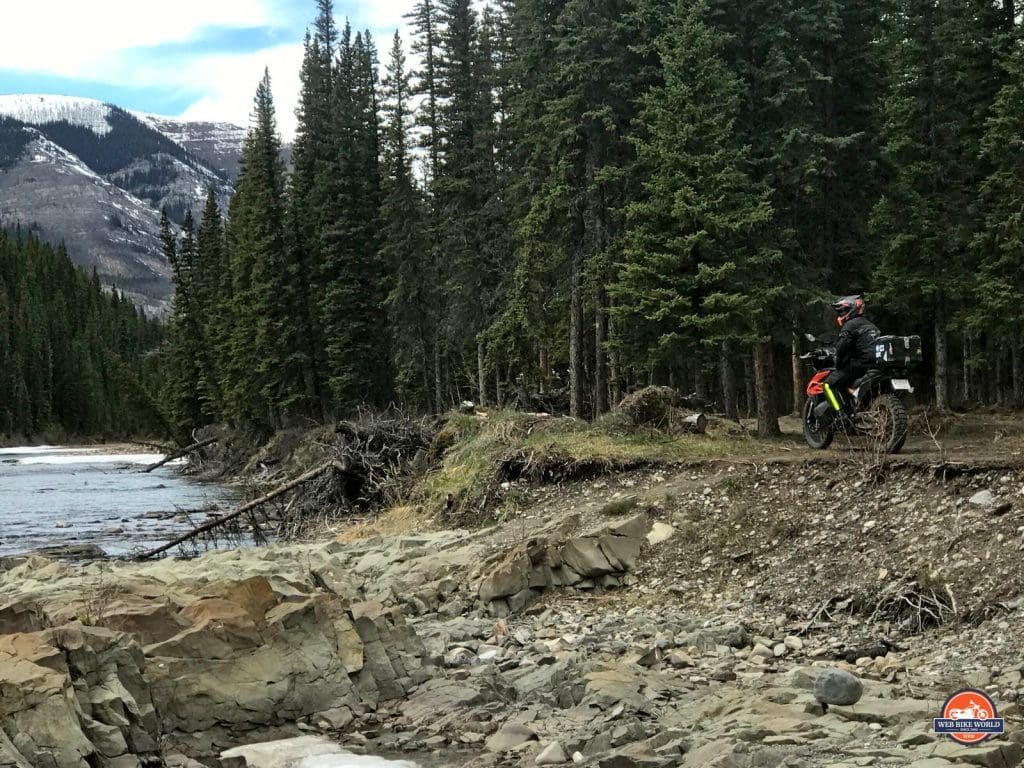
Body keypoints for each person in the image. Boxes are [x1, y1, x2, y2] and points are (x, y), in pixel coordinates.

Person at [825, 295, 880, 410]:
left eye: (842, 311)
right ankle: (855, 401)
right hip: (875, 367)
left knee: (827, 385)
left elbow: (841, 349)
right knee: (845, 382)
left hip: (857, 366)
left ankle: (840, 413)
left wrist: (837, 362)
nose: (840, 315)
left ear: (851, 309)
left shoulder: (850, 326)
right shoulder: (872, 325)